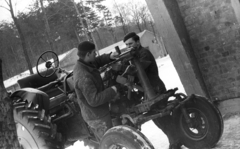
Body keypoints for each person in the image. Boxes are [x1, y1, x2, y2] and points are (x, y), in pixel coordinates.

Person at [123, 32, 182, 149]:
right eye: (127, 45)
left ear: (138, 42)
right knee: (159, 118)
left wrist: (126, 72)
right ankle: (176, 139)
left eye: (130, 44)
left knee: (161, 117)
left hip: (156, 89)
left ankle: (175, 142)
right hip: (151, 90)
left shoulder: (143, 53)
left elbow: (140, 70)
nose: (128, 47)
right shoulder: (135, 55)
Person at [73, 41, 119, 143]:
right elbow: (94, 100)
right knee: (110, 144)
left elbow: (96, 61)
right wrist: (112, 90)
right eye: (94, 52)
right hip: (97, 117)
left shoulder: (84, 63)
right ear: (88, 54)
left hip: (97, 113)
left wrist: (109, 56)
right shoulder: (83, 76)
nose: (96, 54)